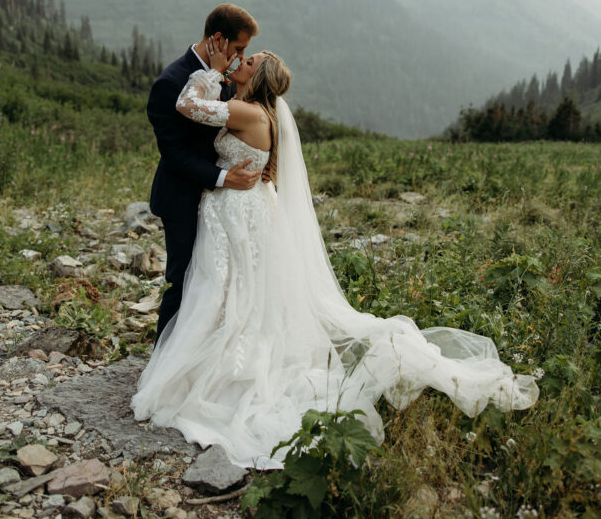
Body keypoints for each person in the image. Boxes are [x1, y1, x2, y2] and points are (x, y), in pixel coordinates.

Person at [132, 41, 538, 469]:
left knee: (230, 292)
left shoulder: (249, 113)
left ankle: (216, 370)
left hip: (237, 213)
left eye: (247, 61)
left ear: (258, 78)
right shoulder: (255, 110)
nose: (240, 61)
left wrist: (211, 69)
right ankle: (209, 359)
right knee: (229, 290)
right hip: (235, 212)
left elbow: (186, 105)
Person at [146, 3, 261, 342]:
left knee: (217, 278)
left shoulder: (225, 78)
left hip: (221, 203)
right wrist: (226, 178)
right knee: (183, 279)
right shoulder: (169, 83)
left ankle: (202, 356)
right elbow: (175, 155)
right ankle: (163, 361)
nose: (241, 57)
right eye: (239, 48)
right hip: (182, 197)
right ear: (218, 39)